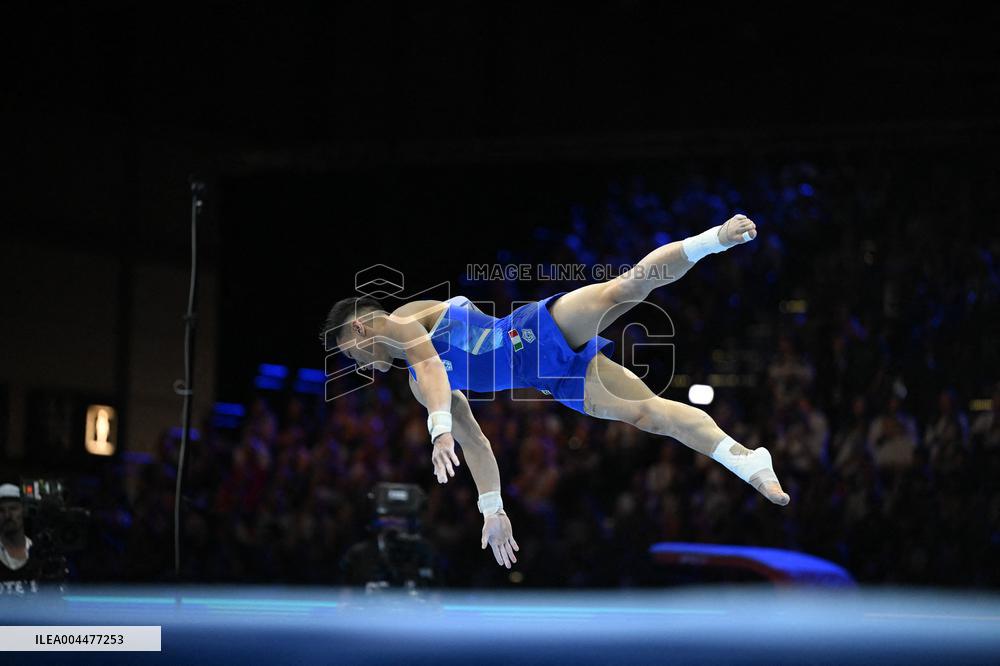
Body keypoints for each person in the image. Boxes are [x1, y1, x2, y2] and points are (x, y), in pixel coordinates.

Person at [324, 214, 789, 570]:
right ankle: (746, 458)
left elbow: (429, 362)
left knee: (624, 290)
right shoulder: (419, 385)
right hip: (550, 378)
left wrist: (438, 428)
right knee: (648, 415)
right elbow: (477, 443)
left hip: (531, 331)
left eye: (350, 353)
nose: (358, 365)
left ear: (360, 328)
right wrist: (492, 509)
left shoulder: (405, 321)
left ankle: (714, 238)